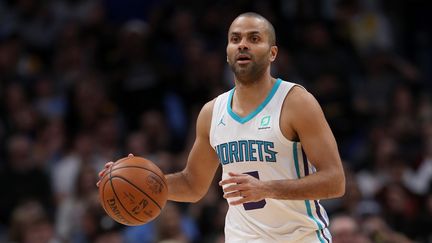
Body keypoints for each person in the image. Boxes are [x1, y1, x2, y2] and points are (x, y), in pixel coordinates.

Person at [98, 12, 345, 243]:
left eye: (254, 38)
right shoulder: (211, 112)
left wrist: (266, 189)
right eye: (235, 39)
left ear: (272, 53)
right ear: (227, 53)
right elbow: (193, 185)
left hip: (300, 238)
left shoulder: (296, 101)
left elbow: (335, 181)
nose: (243, 44)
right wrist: (139, 180)